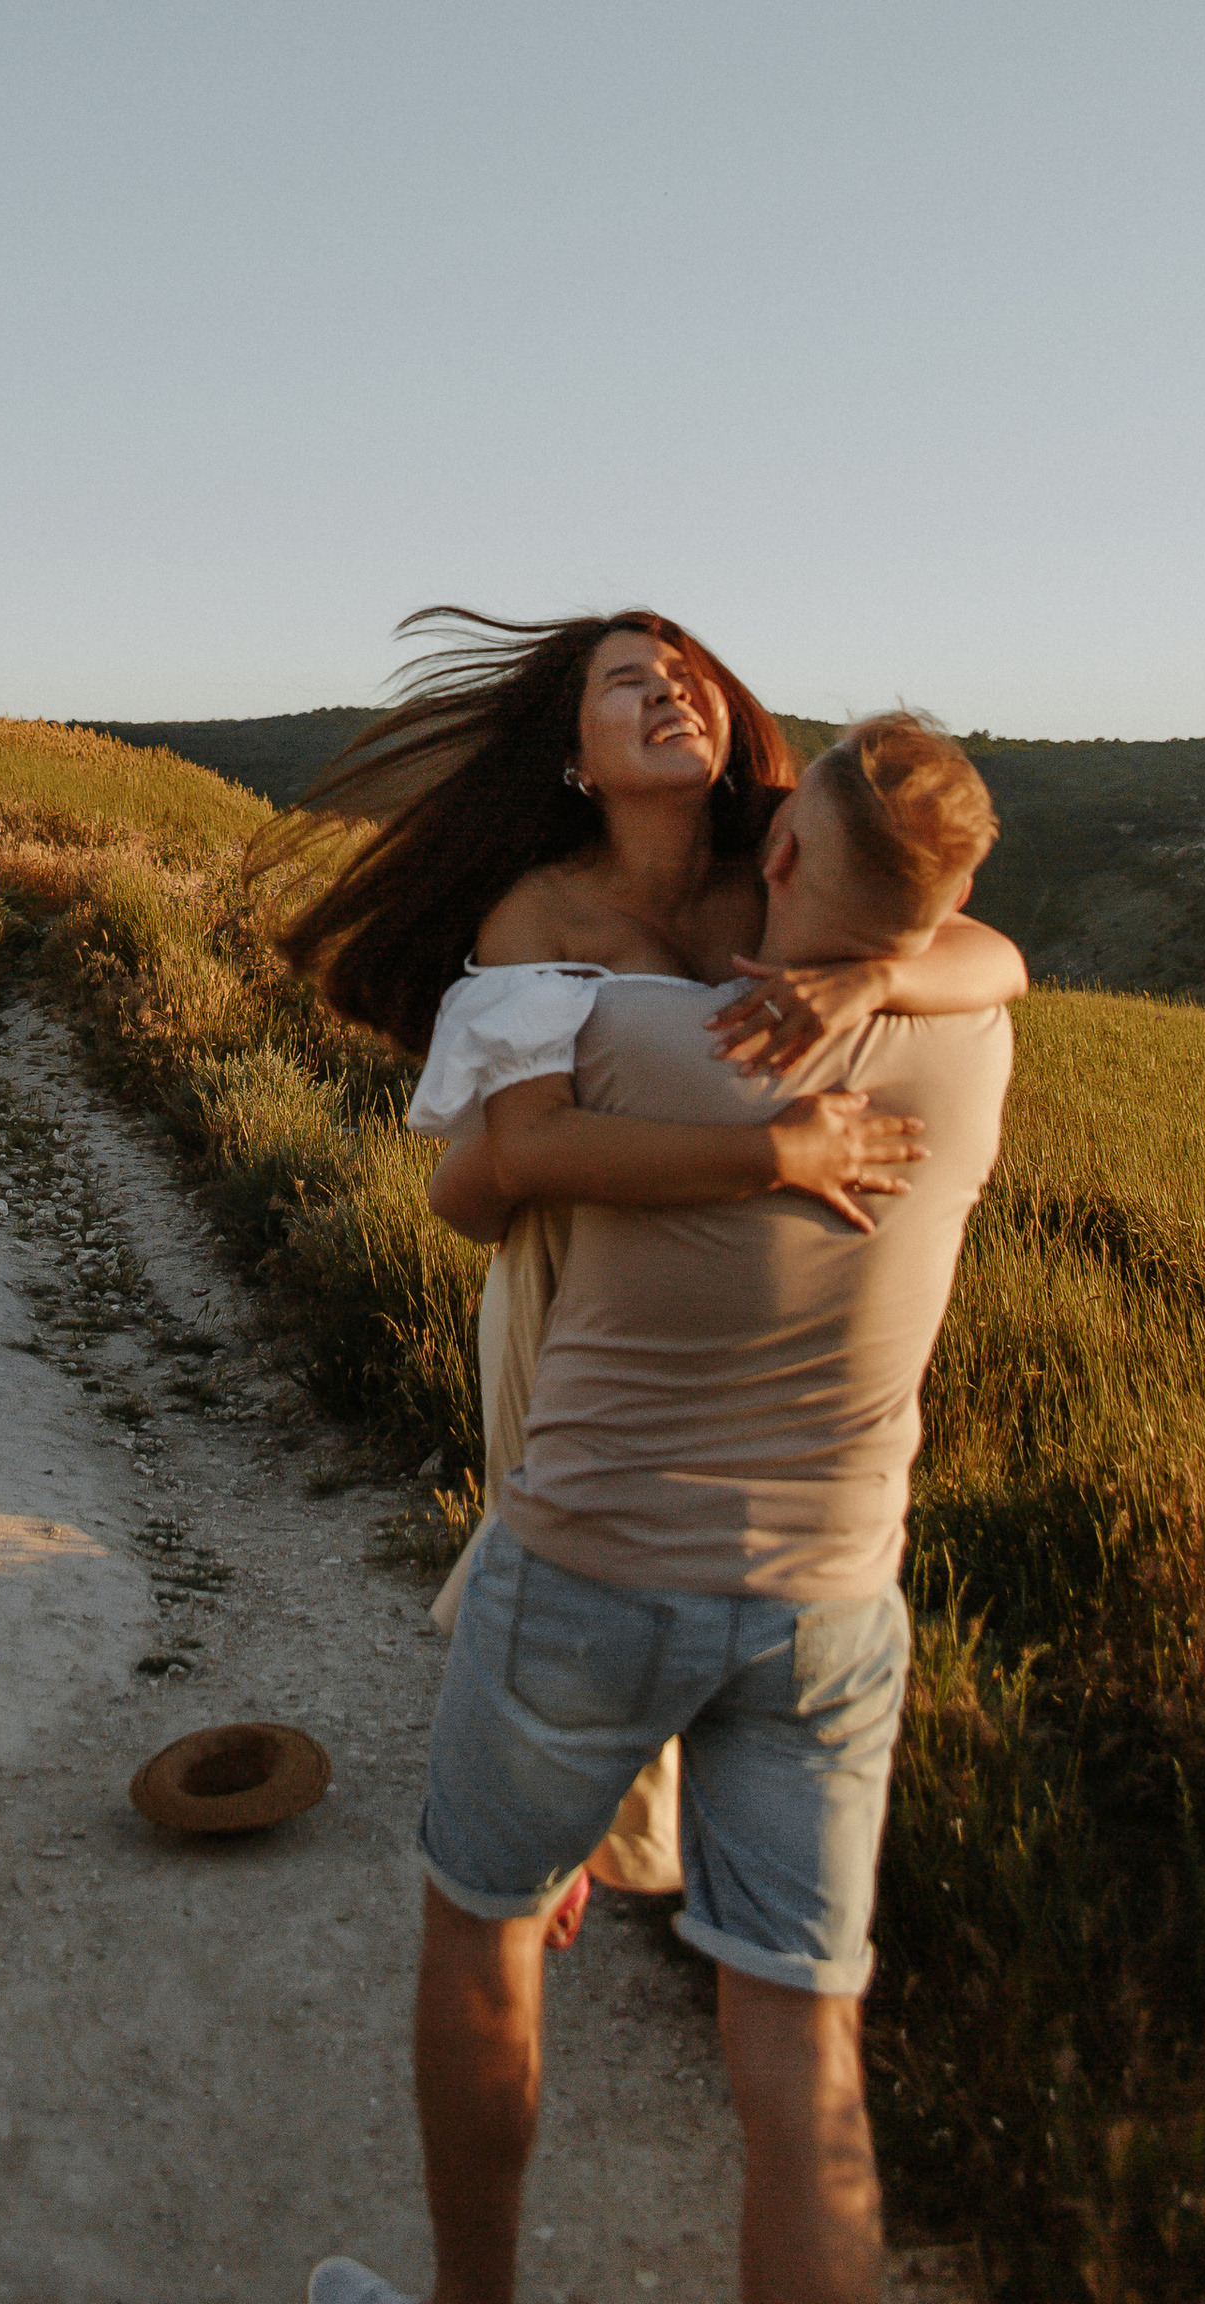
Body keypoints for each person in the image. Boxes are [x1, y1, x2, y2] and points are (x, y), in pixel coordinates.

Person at [276, 615, 1016, 2304]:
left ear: (780, 809)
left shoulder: (778, 914)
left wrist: (869, 970)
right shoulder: (540, 921)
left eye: (687, 669)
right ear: (574, 749)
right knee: (780, 2008)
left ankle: (554, 1834)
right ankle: (571, 1830)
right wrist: (773, 1145)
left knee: (540, 1743)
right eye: (626, 679)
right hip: (601, 1351)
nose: (668, 688)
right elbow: (484, 1184)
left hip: (664, 1452)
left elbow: (975, 947)